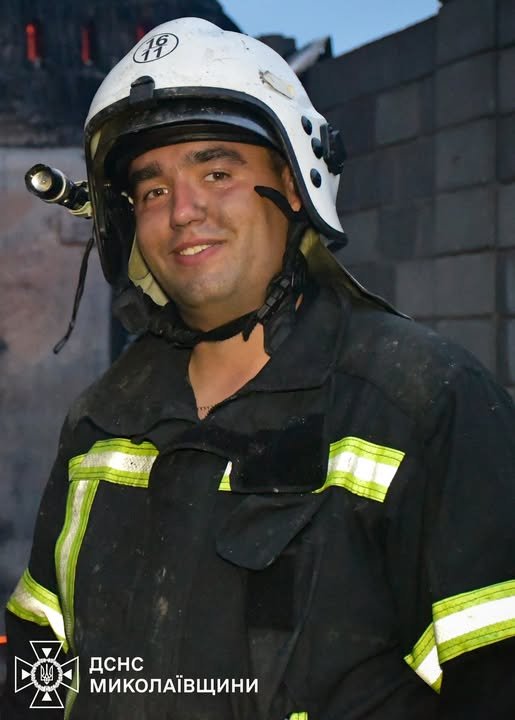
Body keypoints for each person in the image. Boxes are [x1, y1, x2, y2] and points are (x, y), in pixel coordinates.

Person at [3, 16, 515, 720]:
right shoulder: (101, 420)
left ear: (296, 185)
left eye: (217, 172)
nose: (183, 212)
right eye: (152, 190)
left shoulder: (424, 404)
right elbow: (39, 663)